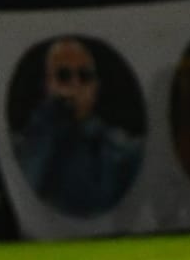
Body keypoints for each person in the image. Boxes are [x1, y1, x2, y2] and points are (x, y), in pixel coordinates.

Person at [12, 36, 143, 217]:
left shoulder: (121, 152)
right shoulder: (22, 148)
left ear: (96, 87)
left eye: (85, 76)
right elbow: (23, 198)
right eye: (64, 76)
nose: (75, 85)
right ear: (47, 85)